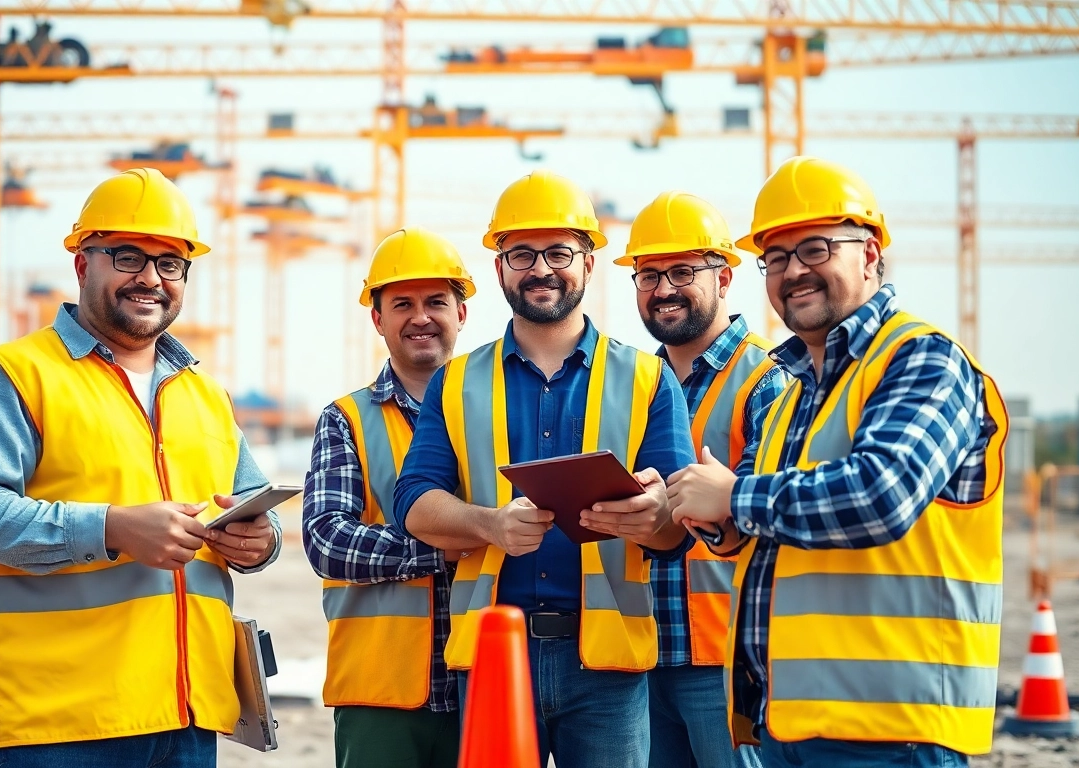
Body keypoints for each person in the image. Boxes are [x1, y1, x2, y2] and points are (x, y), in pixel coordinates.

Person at [667, 156, 1008, 767]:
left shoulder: (922, 360)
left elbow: (882, 497)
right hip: (791, 723)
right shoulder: (796, 390)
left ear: (870, 254)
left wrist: (733, 498)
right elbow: (763, 533)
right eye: (776, 258)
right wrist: (702, 513)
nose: (794, 271)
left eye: (816, 248)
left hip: (892, 729)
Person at [0, 168, 281, 768]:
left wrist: (260, 542)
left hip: (187, 715)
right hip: (60, 721)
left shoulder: (204, 394)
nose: (150, 278)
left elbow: (252, 503)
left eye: (170, 263)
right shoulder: (18, 374)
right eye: (128, 256)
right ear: (82, 265)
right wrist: (111, 529)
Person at [394, 170, 695, 768]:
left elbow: (675, 531)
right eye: (521, 254)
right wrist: (487, 524)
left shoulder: (647, 379)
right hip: (495, 654)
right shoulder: (456, 382)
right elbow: (413, 502)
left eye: (559, 252)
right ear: (500, 268)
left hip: (608, 666)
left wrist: (655, 513)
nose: (540, 269)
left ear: (587, 263)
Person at [617, 192, 782, 768]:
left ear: (725, 277)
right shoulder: (632, 384)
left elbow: (773, 511)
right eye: (649, 274)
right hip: (640, 651)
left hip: (727, 656)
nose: (664, 288)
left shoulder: (767, 381)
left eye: (683, 271)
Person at [303, 227, 476, 768]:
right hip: (379, 694)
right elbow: (326, 538)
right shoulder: (347, 419)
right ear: (377, 319)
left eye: (436, 302)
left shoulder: (496, 410)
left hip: (485, 680)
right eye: (402, 303)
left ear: (462, 314)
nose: (420, 316)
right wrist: (443, 548)